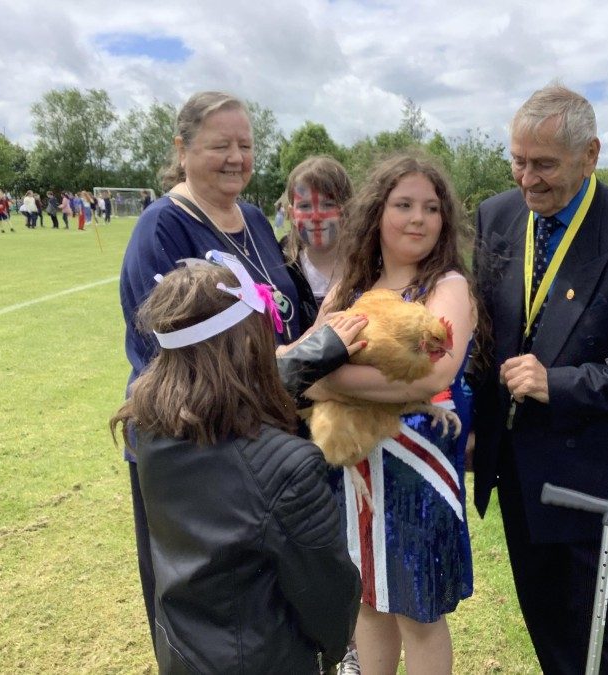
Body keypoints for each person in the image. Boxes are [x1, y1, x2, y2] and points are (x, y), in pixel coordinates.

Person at [472, 83, 608, 674]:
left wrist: (562, 384)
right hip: (520, 476)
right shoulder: (496, 216)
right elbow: (486, 333)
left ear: (590, 154)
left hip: (601, 485)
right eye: (518, 161)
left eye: (544, 164)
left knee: (607, 655)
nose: (527, 180)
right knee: (552, 641)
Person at [119, 91, 310, 646]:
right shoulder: (162, 227)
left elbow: (283, 308)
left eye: (245, 145)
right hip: (197, 445)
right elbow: (166, 355)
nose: (236, 158)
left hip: (267, 435)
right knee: (208, 611)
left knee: (268, 601)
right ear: (182, 149)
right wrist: (280, 370)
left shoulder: (253, 218)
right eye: (219, 145)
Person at [111, 260, 362, 673]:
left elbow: (225, 390)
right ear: (250, 345)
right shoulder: (286, 468)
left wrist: (320, 350)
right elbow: (330, 597)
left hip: (186, 656)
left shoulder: (150, 424)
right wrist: (331, 653)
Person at [307, 153, 477, 675]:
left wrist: (327, 379)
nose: (418, 218)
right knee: (366, 601)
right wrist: (305, 369)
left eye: (431, 207)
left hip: (417, 473)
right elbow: (302, 356)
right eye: (403, 205)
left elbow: (430, 376)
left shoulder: (447, 287)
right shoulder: (349, 287)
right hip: (354, 470)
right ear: (377, 213)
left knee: (418, 612)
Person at [281, 155, 354, 331]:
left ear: (347, 210)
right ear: (292, 214)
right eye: (305, 206)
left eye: (328, 204)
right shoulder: (282, 269)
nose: (315, 217)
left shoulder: (367, 265)